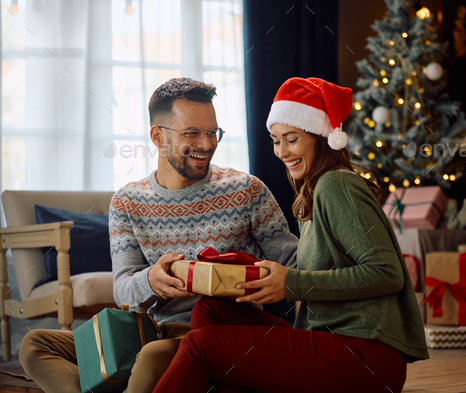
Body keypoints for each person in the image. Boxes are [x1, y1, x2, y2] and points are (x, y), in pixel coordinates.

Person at [19, 78, 299, 393]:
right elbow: (123, 288)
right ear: (158, 137)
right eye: (192, 133)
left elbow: (294, 263)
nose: (207, 144)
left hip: (214, 334)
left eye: (212, 132)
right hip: (145, 331)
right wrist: (152, 280)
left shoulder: (246, 190)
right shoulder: (127, 201)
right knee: (35, 344)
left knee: (151, 357)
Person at [152, 77, 429, 393]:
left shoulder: (336, 186)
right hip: (334, 342)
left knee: (201, 346)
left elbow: (387, 273)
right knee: (211, 308)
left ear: (319, 137)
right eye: (275, 140)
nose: (281, 151)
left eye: (292, 139)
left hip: (367, 358)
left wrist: (290, 283)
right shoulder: (313, 191)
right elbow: (319, 269)